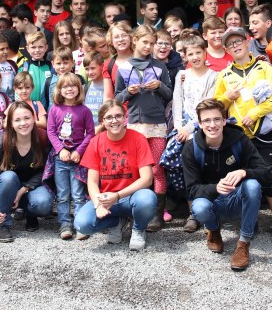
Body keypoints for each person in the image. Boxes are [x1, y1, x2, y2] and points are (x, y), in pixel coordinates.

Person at [214, 26, 272, 245]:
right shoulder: (224, 75)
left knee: (269, 176)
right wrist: (227, 97)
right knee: (244, 179)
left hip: (264, 133)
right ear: (226, 49)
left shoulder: (264, 67)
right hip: (238, 137)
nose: (235, 45)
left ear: (247, 42)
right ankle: (251, 219)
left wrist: (255, 113)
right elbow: (215, 107)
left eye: (238, 41)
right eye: (230, 43)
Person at [182, 98, 272, 271]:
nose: (212, 125)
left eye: (217, 119)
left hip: (237, 199)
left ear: (225, 120)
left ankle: (243, 243)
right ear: (200, 124)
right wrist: (215, 188)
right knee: (199, 207)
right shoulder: (191, 148)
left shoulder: (239, 140)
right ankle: (214, 230)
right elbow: (191, 189)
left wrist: (244, 172)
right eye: (207, 120)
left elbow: (267, 174)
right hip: (213, 202)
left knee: (252, 185)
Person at [73, 100, 158, 250]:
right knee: (82, 224)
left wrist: (117, 196)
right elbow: (92, 182)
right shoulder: (95, 142)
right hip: (107, 198)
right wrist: (98, 205)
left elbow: (147, 179)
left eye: (118, 116)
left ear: (125, 117)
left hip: (132, 197)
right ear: (102, 121)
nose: (114, 121)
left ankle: (138, 229)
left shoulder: (138, 139)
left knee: (147, 199)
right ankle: (116, 222)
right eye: (109, 117)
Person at [114, 25, 172, 231]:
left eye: (151, 43)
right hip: (135, 125)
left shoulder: (160, 66)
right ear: (134, 40)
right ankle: (134, 211)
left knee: (157, 169)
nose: (148, 46)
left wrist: (160, 87)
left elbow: (170, 94)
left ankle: (157, 214)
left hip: (157, 124)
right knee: (135, 170)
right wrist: (128, 92)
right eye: (145, 42)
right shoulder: (123, 67)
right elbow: (117, 98)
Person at [0, 101, 54, 242]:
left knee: (43, 203)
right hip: (8, 186)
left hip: (33, 186)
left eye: (27, 118)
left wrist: (23, 190)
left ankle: (30, 214)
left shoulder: (43, 137)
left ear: (34, 118)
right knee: (8, 177)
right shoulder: (3, 141)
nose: (23, 123)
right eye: (17, 120)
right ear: (10, 123)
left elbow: (47, 171)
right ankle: (3, 223)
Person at [171, 33, 217, 231]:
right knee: (188, 171)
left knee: (206, 170)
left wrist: (191, 127)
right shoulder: (182, 76)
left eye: (198, 52)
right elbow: (177, 102)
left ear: (205, 52)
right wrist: (179, 127)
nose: (195, 57)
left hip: (204, 128)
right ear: (185, 56)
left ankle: (208, 210)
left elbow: (208, 104)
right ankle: (193, 213)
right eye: (191, 54)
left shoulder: (213, 76)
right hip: (184, 130)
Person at [45, 73, 95, 239]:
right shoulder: (55, 109)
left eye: (73, 86)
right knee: (63, 195)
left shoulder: (85, 110)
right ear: (59, 90)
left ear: (79, 89)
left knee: (78, 195)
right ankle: (65, 224)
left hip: (77, 158)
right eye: (65, 86)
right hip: (61, 158)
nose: (69, 89)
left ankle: (80, 224)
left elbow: (91, 133)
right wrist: (60, 150)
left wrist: (78, 151)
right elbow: (51, 132)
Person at [103, 21, 134, 100]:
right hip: (120, 107)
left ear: (130, 38)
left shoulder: (141, 58)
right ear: (111, 41)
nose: (120, 39)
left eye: (124, 35)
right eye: (116, 37)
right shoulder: (108, 65)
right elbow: (108, 97)